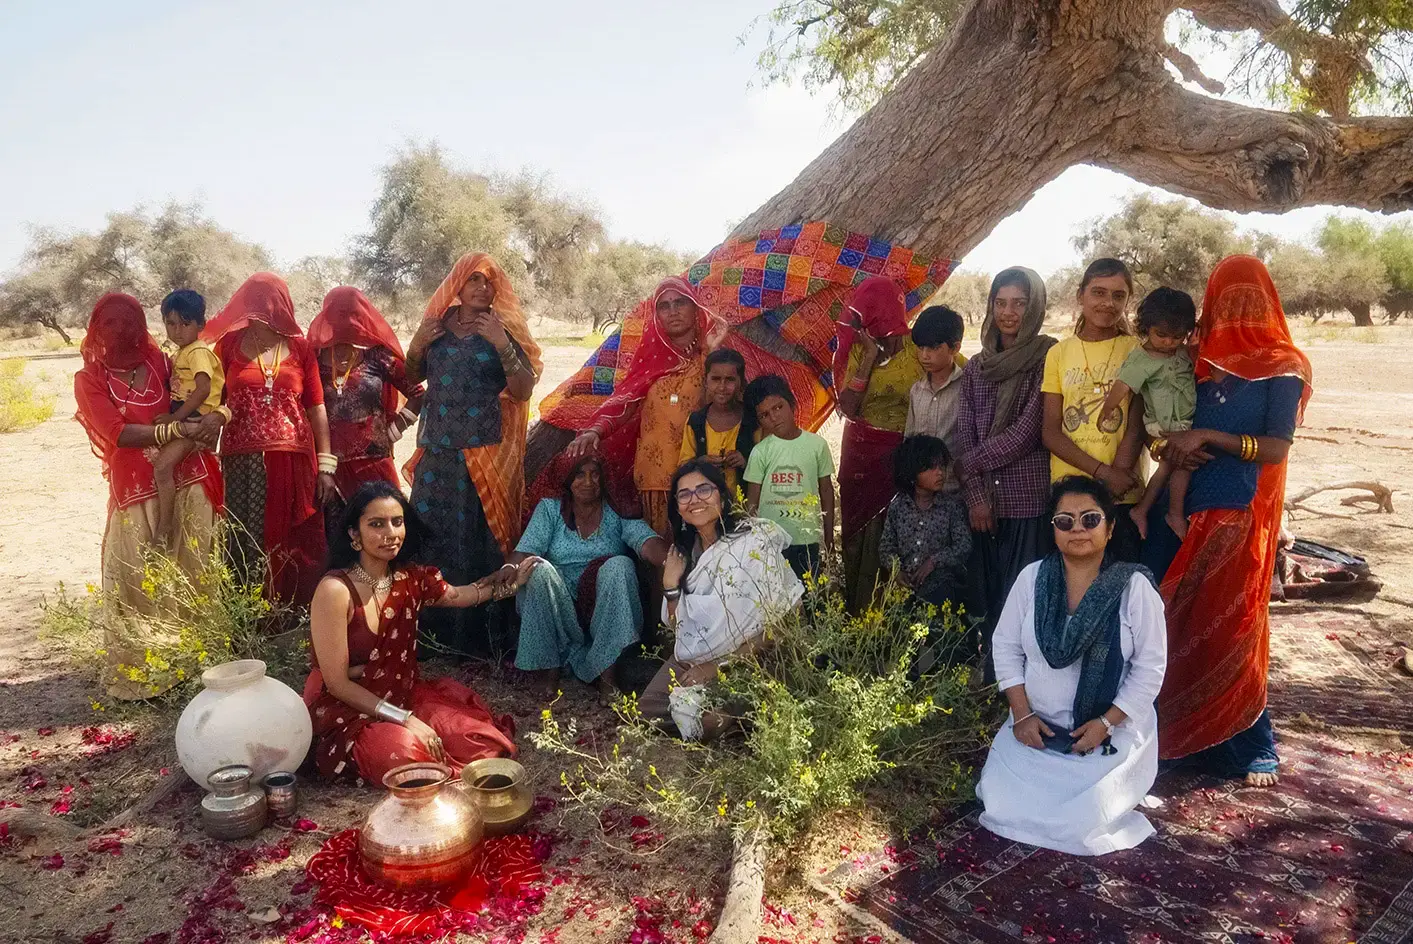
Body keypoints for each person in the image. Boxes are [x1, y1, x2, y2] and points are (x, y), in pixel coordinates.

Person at [1145, 255, 1312, 787]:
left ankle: (1249, 743)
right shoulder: (1194, 357)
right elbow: (1164, 423)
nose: (1239, 311)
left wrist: (1208, 438)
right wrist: (1170, 446)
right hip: (1182, 505)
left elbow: (1277, 447)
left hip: (1241, 510)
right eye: (1228, 298)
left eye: (1249, 299)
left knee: (1232, 623)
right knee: (1172, 619)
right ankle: (1175, 733)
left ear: (1268, 302)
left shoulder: (1284, 366)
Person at [976, 476, 1166, 856]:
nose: (1077, 528)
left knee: (1084, 823)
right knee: (999, 803)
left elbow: (1150, 668)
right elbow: (1006, 646)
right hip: (1035, 732)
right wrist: (1022, 715)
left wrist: (1106, 723)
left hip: (1107, 738)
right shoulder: (1031, 579)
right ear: (1054, 530)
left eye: (1090, 519)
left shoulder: (1133, 588)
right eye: (1065, 521)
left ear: (1110, 528)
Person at [305, 482, 522, 784]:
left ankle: (431, 756)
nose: (391, 533)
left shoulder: (410, 578)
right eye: (376, 524)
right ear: (354, 534)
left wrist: (511, 583)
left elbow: (460, 595)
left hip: (400, 693)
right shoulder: (335, 590)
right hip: (346, 707)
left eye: (397, 521)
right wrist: (406, 719)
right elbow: (338, 684)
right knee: (407, 755)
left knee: (481, 740)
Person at [74, 293, 227, 699]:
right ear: (97, 331)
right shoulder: (89, 379)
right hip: (135, 494)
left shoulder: (162, 361)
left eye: (129, 323)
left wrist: (216, 417)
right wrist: (178, 429)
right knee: (138, 575)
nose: (121, 332)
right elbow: (119, 433)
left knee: (193, 569)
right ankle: (146, 675)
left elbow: (205, 393)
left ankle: (197, 665)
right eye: (111, 325)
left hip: (190, 481)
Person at [404, 252, 541, 656]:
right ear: (457, 285)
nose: (482, 288)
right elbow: (413, 376)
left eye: (489, 282)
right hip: (437, 451)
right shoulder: (437, 326)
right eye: (474, 280)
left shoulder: (503, 328)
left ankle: (480, 642)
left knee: (479, 540)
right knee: (428, 536)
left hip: (484, 454)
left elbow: (523, 390)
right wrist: (417, 345)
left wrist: (501, 343)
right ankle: (429, 637)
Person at [640, 460, 803, 740]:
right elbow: (679, 629)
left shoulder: (752, 542)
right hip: (696, 658)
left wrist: (718, 666)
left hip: (752, 658)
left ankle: (738, 712)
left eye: (704, 490)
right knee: (648, 711)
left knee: (708, 722)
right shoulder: (683, 554)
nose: (695, 500)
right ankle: (734, 717)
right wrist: (670, 587)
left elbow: (790, 618)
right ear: (677, 508)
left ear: (723, 498)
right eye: (684, 494)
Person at [202, 273, 334, 607]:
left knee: (288, 536)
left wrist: (326, 466)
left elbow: (316, 407)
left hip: (292, 459)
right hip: (241, 460)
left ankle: (289, 611)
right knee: (244, 534)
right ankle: (246, 613)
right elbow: (213, 400)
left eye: (271, 303)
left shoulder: (301, 348)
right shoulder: (229, 346)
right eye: (257, 302)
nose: (264, 310)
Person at [954, 267, 1057, 683]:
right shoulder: (977, 367)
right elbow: (965, 431)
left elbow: (1027, 434)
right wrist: (976, 497)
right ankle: (994, 675)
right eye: (1001, 303)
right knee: (988, 594)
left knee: (1023, 595)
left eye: (1019, 303)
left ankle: (1023, 684)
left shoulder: (1047, 358)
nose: (1009, 312)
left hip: (1026, 498)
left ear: (1035, 308)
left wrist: (968, 465)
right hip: (982, 503)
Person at [567, 277, 726, 535]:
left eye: (680, 302)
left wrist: (711, 352)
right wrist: (595, 430)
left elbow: (724, 403)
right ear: (656, 315)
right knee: (664, 549)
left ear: (694, 306)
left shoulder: (710, 359)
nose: (673, 311)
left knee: (705, 543)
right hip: (656, 477)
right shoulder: (650, 361)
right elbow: (625, 405)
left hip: (702, 471)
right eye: (664, 306)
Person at [508, 454, 670, 698]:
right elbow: (526, 550)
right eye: (579, 475)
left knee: (620, 565)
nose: (588, 482)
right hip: (559, 606)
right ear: (567, 480)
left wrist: (672, 560)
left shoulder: (616, 510)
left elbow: (645, 541)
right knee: (538, 569)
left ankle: (608, 675)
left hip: (602, 610)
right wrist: (508, 568)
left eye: (595, 474)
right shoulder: (550, 510)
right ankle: (549, 671)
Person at [1041, 258, 1147, 562]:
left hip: (1122, 493)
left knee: (1119, 578)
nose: (1108, 303)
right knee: (1071, 579)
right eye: (1098, 292)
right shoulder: (1058, 353)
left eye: (1118, 295)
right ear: (1080, 295)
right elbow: (1050, 431)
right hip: (1069, 492)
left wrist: (1115, 479)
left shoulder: (1136, 351)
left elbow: (1137, 422)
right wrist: (1103, 474)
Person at [306, 286, 424, 542]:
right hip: (328, 470)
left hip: (374, 465)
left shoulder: (378, 358)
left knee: (386, 535)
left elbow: (418, 394)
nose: (344, 321)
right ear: (326, 316)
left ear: (361, 318)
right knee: (338, 541)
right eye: (338, 314)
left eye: (351, 314)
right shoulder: (312, 360)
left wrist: (392, 432)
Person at [836, 275, 923, 610]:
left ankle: (896, 614)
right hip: (861, 456)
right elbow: (848, 406)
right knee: (859, 535)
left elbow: (957, 372)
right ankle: (859, 611)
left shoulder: (918, 348)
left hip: (904, 457)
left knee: (898, 531)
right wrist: (869, 357)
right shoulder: (859, 349)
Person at [1099, 287, 1197, 540]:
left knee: (1167, 468)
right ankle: (1174, 514)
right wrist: (1108, 408)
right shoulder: (1142, 359)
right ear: (1146, 327)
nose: (1168, 342)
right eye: (1161, 335)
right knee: (1181, 465)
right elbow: (1123, 385)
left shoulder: (1182, 352)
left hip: (1184, 422)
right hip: (1163, 425)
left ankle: (1142, 510)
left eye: (1177, 336)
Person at [743, 375, 836, 580]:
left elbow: (826, 491)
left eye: (778, 407)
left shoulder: (817, 445)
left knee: (811, 594)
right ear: (759, 421)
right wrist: (753, 540)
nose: (774, 417)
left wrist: (829, 537)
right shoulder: (760, 452)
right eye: (765, 415)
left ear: (791, 404)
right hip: (771, 541)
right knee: (774, 594)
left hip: (807, 538)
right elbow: (752, 503)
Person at [153, 289, 224, 550]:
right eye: (171, 324)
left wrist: (176, 418)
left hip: (195, 416)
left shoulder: (197, 352)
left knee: (162, 468)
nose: (177, 330)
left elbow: (203, 389)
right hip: (188, 413)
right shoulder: (183, 352)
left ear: (200, 325)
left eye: (185, 324)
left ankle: (165, 527)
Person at [879, 435, 971, 609]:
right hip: (905, 589)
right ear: (912, 472)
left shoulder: (952, 507)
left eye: (942, 466)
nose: (940, 472)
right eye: (931, 467)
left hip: (941, 590)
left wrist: (934, 562)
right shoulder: (898, 507)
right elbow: (886, 547)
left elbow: (963, 545)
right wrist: (896, 571)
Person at [679, 347, 757, 502]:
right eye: (715, 379)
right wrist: (701, 463)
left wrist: (746, 462)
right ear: (705, 382)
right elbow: (683, 466)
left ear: (741, 383)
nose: (722, 387)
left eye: (730, 380)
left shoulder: (752, 420)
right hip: (706, 506)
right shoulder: (696, 422)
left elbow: (769, 463)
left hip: (745, 508)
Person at [904, 306, 967, 490]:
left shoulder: (967, 389)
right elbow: (910, 439)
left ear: (955, 348)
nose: (925, 355)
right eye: (921, 347)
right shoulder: (917, 390)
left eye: (934, 348)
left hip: (956, 487)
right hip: (922, 491)